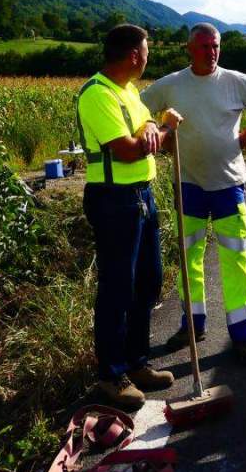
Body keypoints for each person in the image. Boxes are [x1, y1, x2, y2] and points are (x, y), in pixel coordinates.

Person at [141, 23, 246, 365]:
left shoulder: (235, 81)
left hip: (228, 185)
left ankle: (242, 334)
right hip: (188, 184)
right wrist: (151, 126)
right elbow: (137, 106)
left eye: (216, 46)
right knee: (189, 256)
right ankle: (192, 324)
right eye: (204, 47)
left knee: (234, 258)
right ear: (189, 49)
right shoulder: (173, 84)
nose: (212, 52)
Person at [77, 24, 182, 411]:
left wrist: (155, 126)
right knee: (118, 287)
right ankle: (111, 374)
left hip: (142, 195)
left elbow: (146, 130)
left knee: (149, 280)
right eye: (147, 49)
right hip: (114, 200)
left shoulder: (130, 91)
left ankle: (137, 362)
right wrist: (162, 127)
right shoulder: (96, 94)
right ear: (135, 54)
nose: (148, 55)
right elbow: (127, 149)